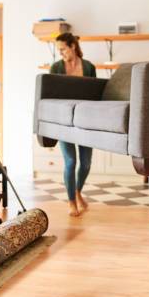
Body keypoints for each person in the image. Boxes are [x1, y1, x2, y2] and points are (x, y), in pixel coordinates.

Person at [50, 32, 96, 216]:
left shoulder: (89, 67)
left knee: (85, 163)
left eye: (63, 49)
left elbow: (95, 93)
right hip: (64, 122)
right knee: (70, 162)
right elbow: (50, 94)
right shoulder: (56, 67)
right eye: (58, 50)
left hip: (86, 120)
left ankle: (77, 191)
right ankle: (71, 202)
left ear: (73, 46)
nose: (60, 53)